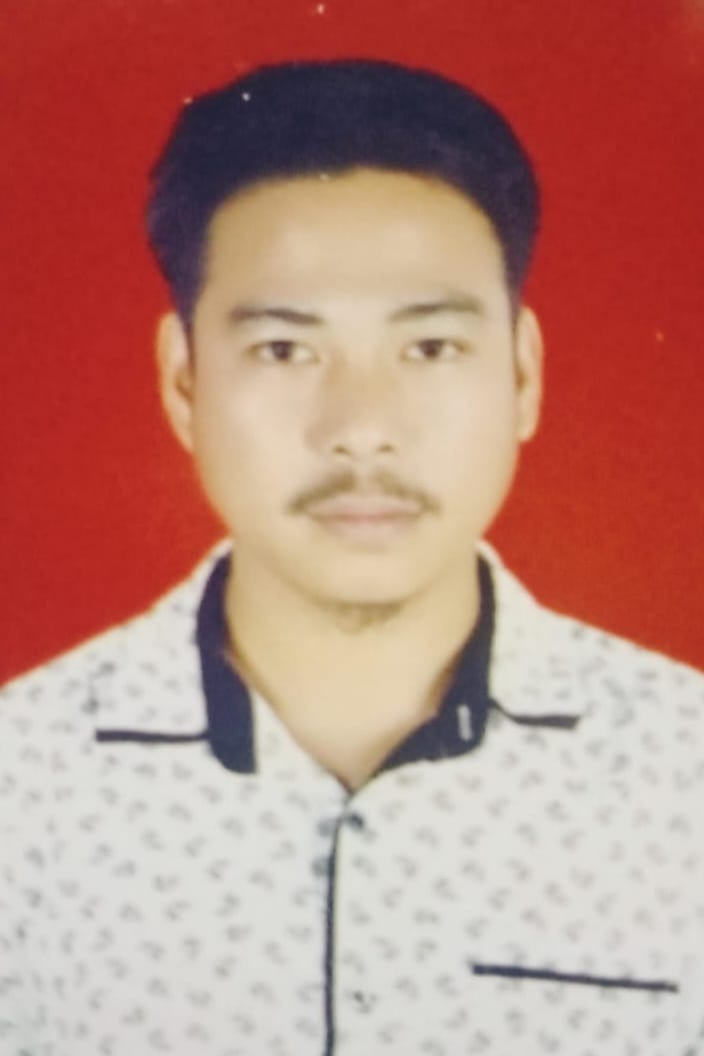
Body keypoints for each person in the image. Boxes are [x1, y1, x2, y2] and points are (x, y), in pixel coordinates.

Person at [1, 58, 702, 1056]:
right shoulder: (22, 791)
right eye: (285, 350)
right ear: (184, 382)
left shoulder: (684, 780)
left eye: (430, 348)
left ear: (522, 374)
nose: (362, 427)